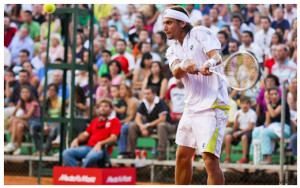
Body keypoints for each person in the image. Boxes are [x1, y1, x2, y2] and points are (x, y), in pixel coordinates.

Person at [163, 6, 229, 185]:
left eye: (169, 23)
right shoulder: (172, 49)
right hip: (191, 108)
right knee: (182, 157)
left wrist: (209, 62)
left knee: (209, 161)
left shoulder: (200, 32)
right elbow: (176, 72)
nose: (165, 27)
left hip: (212, 106)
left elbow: (217, 55)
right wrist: (185, 64)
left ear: (182, 23)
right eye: (164, 23)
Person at [62, 99, 121, 168]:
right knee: (66, 153)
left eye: (106, 106)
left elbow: (113, 138)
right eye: (101, 106)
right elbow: (85, 134)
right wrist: (76, 139)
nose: (103, 108)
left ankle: (82, 173)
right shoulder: (95, 121)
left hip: (102, 149)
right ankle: (77, 173)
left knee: (91, 156)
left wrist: (100, 143)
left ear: (111, 109)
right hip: (89, 147)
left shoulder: (115, 121)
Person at [126, 86, 174, 160]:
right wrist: (142, 126)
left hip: (167, 126)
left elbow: (162, 119)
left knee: (161, 125)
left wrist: (146, 126)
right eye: (144, 94)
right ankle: (131, 153)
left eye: (148, 94)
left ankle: (162, 153)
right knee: (133, 126)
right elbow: (137, 118)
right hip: (151, 126)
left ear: (154, 94)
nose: (146, 96)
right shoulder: (143, 103)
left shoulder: (160, 102)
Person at [252, 87, 291, 164]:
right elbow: (267, 122)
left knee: (265, 133)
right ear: (269, 96)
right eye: (272, 94)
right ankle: (257, 159)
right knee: (256, 132)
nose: (274, 96)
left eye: (275, 94)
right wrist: (263, 128)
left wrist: (267, 102)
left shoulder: (282, 102)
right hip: (272, 128)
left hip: (283, 128)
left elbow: (273, 114)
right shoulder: (269, 105)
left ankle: (269, 159)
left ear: (279, 94)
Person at [4, 85, 41, 155]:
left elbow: (28, 116)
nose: (25, 94)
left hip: (34, 122)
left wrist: (14, 119)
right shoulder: (21, 102)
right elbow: (13, 114)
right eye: (23, 92)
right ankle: (19, 148)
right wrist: (18, 106)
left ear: (30, 93)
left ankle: (12, 142)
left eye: (27, 92)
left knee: (15, 120)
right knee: (19, 126)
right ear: (20, 94)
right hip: (25, 122)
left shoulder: (34, 103)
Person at [224, 96, 257, 163]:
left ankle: (244, 158)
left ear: (250, 105)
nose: (245, 105)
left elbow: (250, 127)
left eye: (246, 103)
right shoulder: (238, 113)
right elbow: (235, 127)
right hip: (239, 129)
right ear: (240, 104)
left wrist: (239, 133)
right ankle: (227, 158)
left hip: (248, 131)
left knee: (244, 137)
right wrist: (236, 119)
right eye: (243, 103)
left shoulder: (252, 113)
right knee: (227, 137)